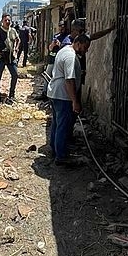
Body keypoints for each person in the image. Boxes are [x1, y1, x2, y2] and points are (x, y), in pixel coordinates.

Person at [46, 33, 91, 165]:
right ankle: (61, 156)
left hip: (55, 92)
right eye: (84, 47)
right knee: (63, 126)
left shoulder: (64, 50)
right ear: (78, 43)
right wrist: (75, 101)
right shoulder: (70, 56)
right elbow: (69, 80)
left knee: (57, 123)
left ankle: (55, 149)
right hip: (63, 95)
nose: (85, 51)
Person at [0, 13, 19, 103]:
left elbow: (18, 39)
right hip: (1, 58)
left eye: (9, 20)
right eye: (5, 20)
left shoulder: (13, 31)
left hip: (11, 57)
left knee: (15, 75)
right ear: (2, 21)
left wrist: (16, 48)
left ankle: (12, 94)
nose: (7, 22)